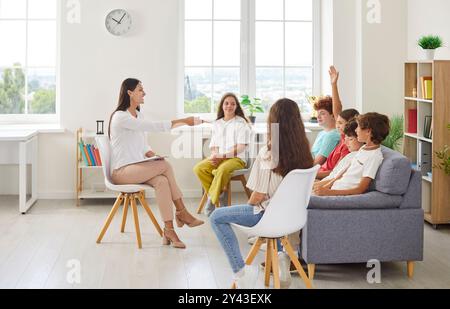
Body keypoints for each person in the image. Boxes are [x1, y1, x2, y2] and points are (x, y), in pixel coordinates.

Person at [210, 98, 314, 289]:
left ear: (273, 122)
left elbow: (257, 196)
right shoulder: (305, 148)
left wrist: (252, 204)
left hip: (268, 217)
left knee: (216, 216)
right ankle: (282, 256)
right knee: (270, 213)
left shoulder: (268, 151)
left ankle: (241, 273)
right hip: (294, 217)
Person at [109, 78, 204, 250]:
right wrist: (184, 121)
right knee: (165, 166)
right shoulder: (120, 117)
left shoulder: (138, 115)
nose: (144, 93)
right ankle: (182, 212)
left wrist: (153, 156)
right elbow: (153, 127)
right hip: (121, 172)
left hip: (137, 167)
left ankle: (169, 229)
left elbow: (144, 145)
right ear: (129, 93)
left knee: (162, 181)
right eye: (140, 90)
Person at [193, 93, 252, 217]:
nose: (229, 106)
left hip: (236, 159)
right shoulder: (217, 123)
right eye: (226, 103)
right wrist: (215, 156)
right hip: (220, 157)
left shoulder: (241, 123)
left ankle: (211, 201)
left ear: (236, 106)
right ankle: (220, 195)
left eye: (232, 104)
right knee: (199, 168)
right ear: (222, 106)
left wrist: (223, 157)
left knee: (221, 170)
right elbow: (214, 145)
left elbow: (241, 147)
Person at [313, 113, 390, 197]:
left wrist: (328, 192)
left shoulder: (374, 157)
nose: (356, 130)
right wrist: (326, 186)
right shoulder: (364, 148)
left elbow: (361, 189)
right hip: (333, 188)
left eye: (358, 127)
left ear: (368, 131)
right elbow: (344, 171)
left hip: (339, 194)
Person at [316, 66, 360, 179]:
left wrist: (311, 175)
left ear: (349, 123)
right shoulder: (343, 137)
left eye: (340, 123)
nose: (337, 125)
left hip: (322, 177)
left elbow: (336, 173)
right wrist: (333, 85)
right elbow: (337, 111)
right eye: (337, 122)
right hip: (319, 173)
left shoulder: (349, 145)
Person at [313, 119, 364, 190]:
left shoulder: (357, 157)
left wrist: (314, 185)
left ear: (361, 138)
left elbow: (336, 179)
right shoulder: (350, 155)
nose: (346, 142)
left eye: (350, 139)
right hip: (325, 182)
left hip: (329, 187)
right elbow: (333, 176)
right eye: (345, 138)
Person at [310, 96, 341, 166]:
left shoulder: (332, 136)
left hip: (317, 171)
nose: (318, 116)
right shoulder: (321, 133)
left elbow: (317, 163)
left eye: (322, 113)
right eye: (317, 113)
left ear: (333, 115)